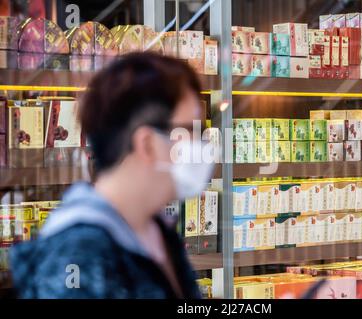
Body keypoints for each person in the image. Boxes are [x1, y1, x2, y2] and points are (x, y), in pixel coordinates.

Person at [9, 52, 215, 298]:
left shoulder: (157, 230)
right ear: (147, 144)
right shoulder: (79, 252)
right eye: (194, 130)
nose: (204, 143)